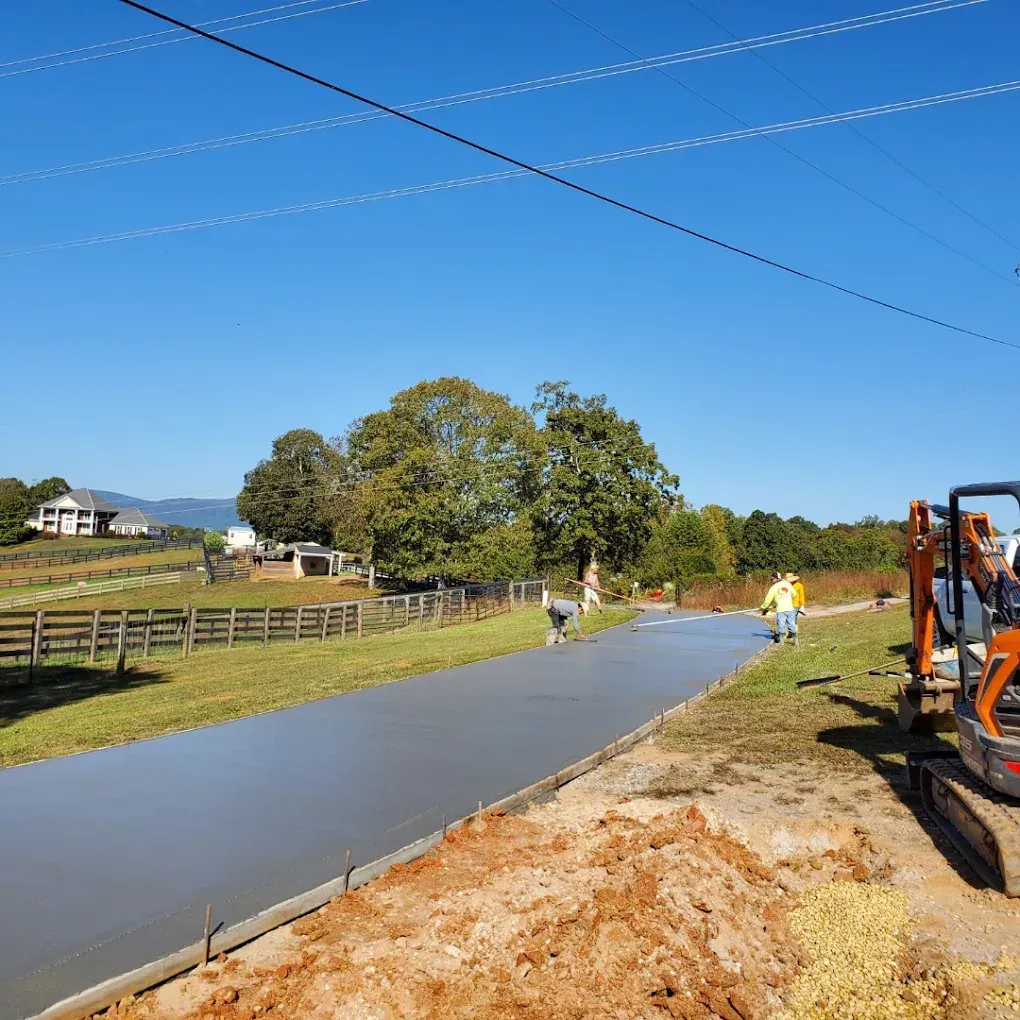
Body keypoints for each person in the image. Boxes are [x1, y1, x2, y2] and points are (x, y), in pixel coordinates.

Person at [761, 572, 798, 645]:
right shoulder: (787, 584)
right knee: (791, 624)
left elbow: (768, 599)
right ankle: (796, 642)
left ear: (776, 579)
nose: (771, 581)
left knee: (781, 625)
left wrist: (763, 607)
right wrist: (787, 599)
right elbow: (794, 594)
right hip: (790, 608)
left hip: (781, 610)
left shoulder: (774, 587)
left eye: (772, 579)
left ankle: (781, 643)